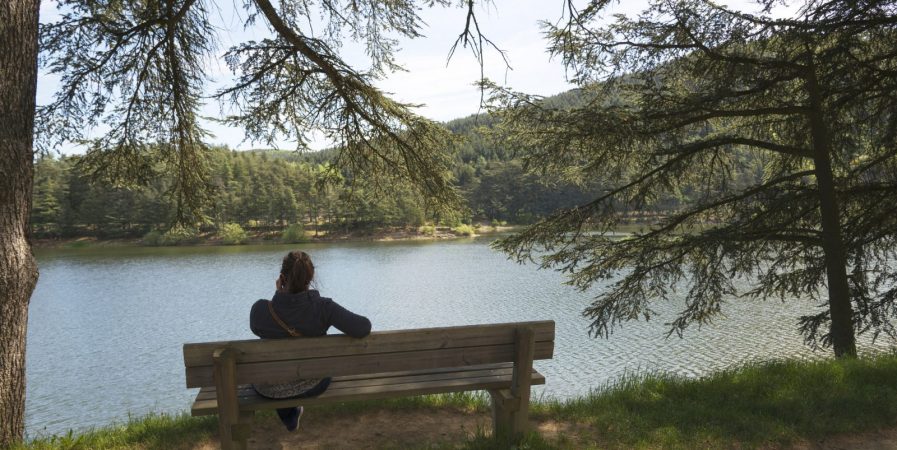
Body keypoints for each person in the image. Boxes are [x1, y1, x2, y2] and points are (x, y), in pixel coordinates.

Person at [249, 250, 371, 432]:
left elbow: (264, 325)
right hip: (312, 384)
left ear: (282, 278)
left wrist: (278, 296)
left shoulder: (260, 310)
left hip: (268, 389)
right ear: (311, 277)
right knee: (309, 373)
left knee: (280, 375)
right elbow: (363, 327)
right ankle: (292, 414)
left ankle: (290, 416)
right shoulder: (324, 308)